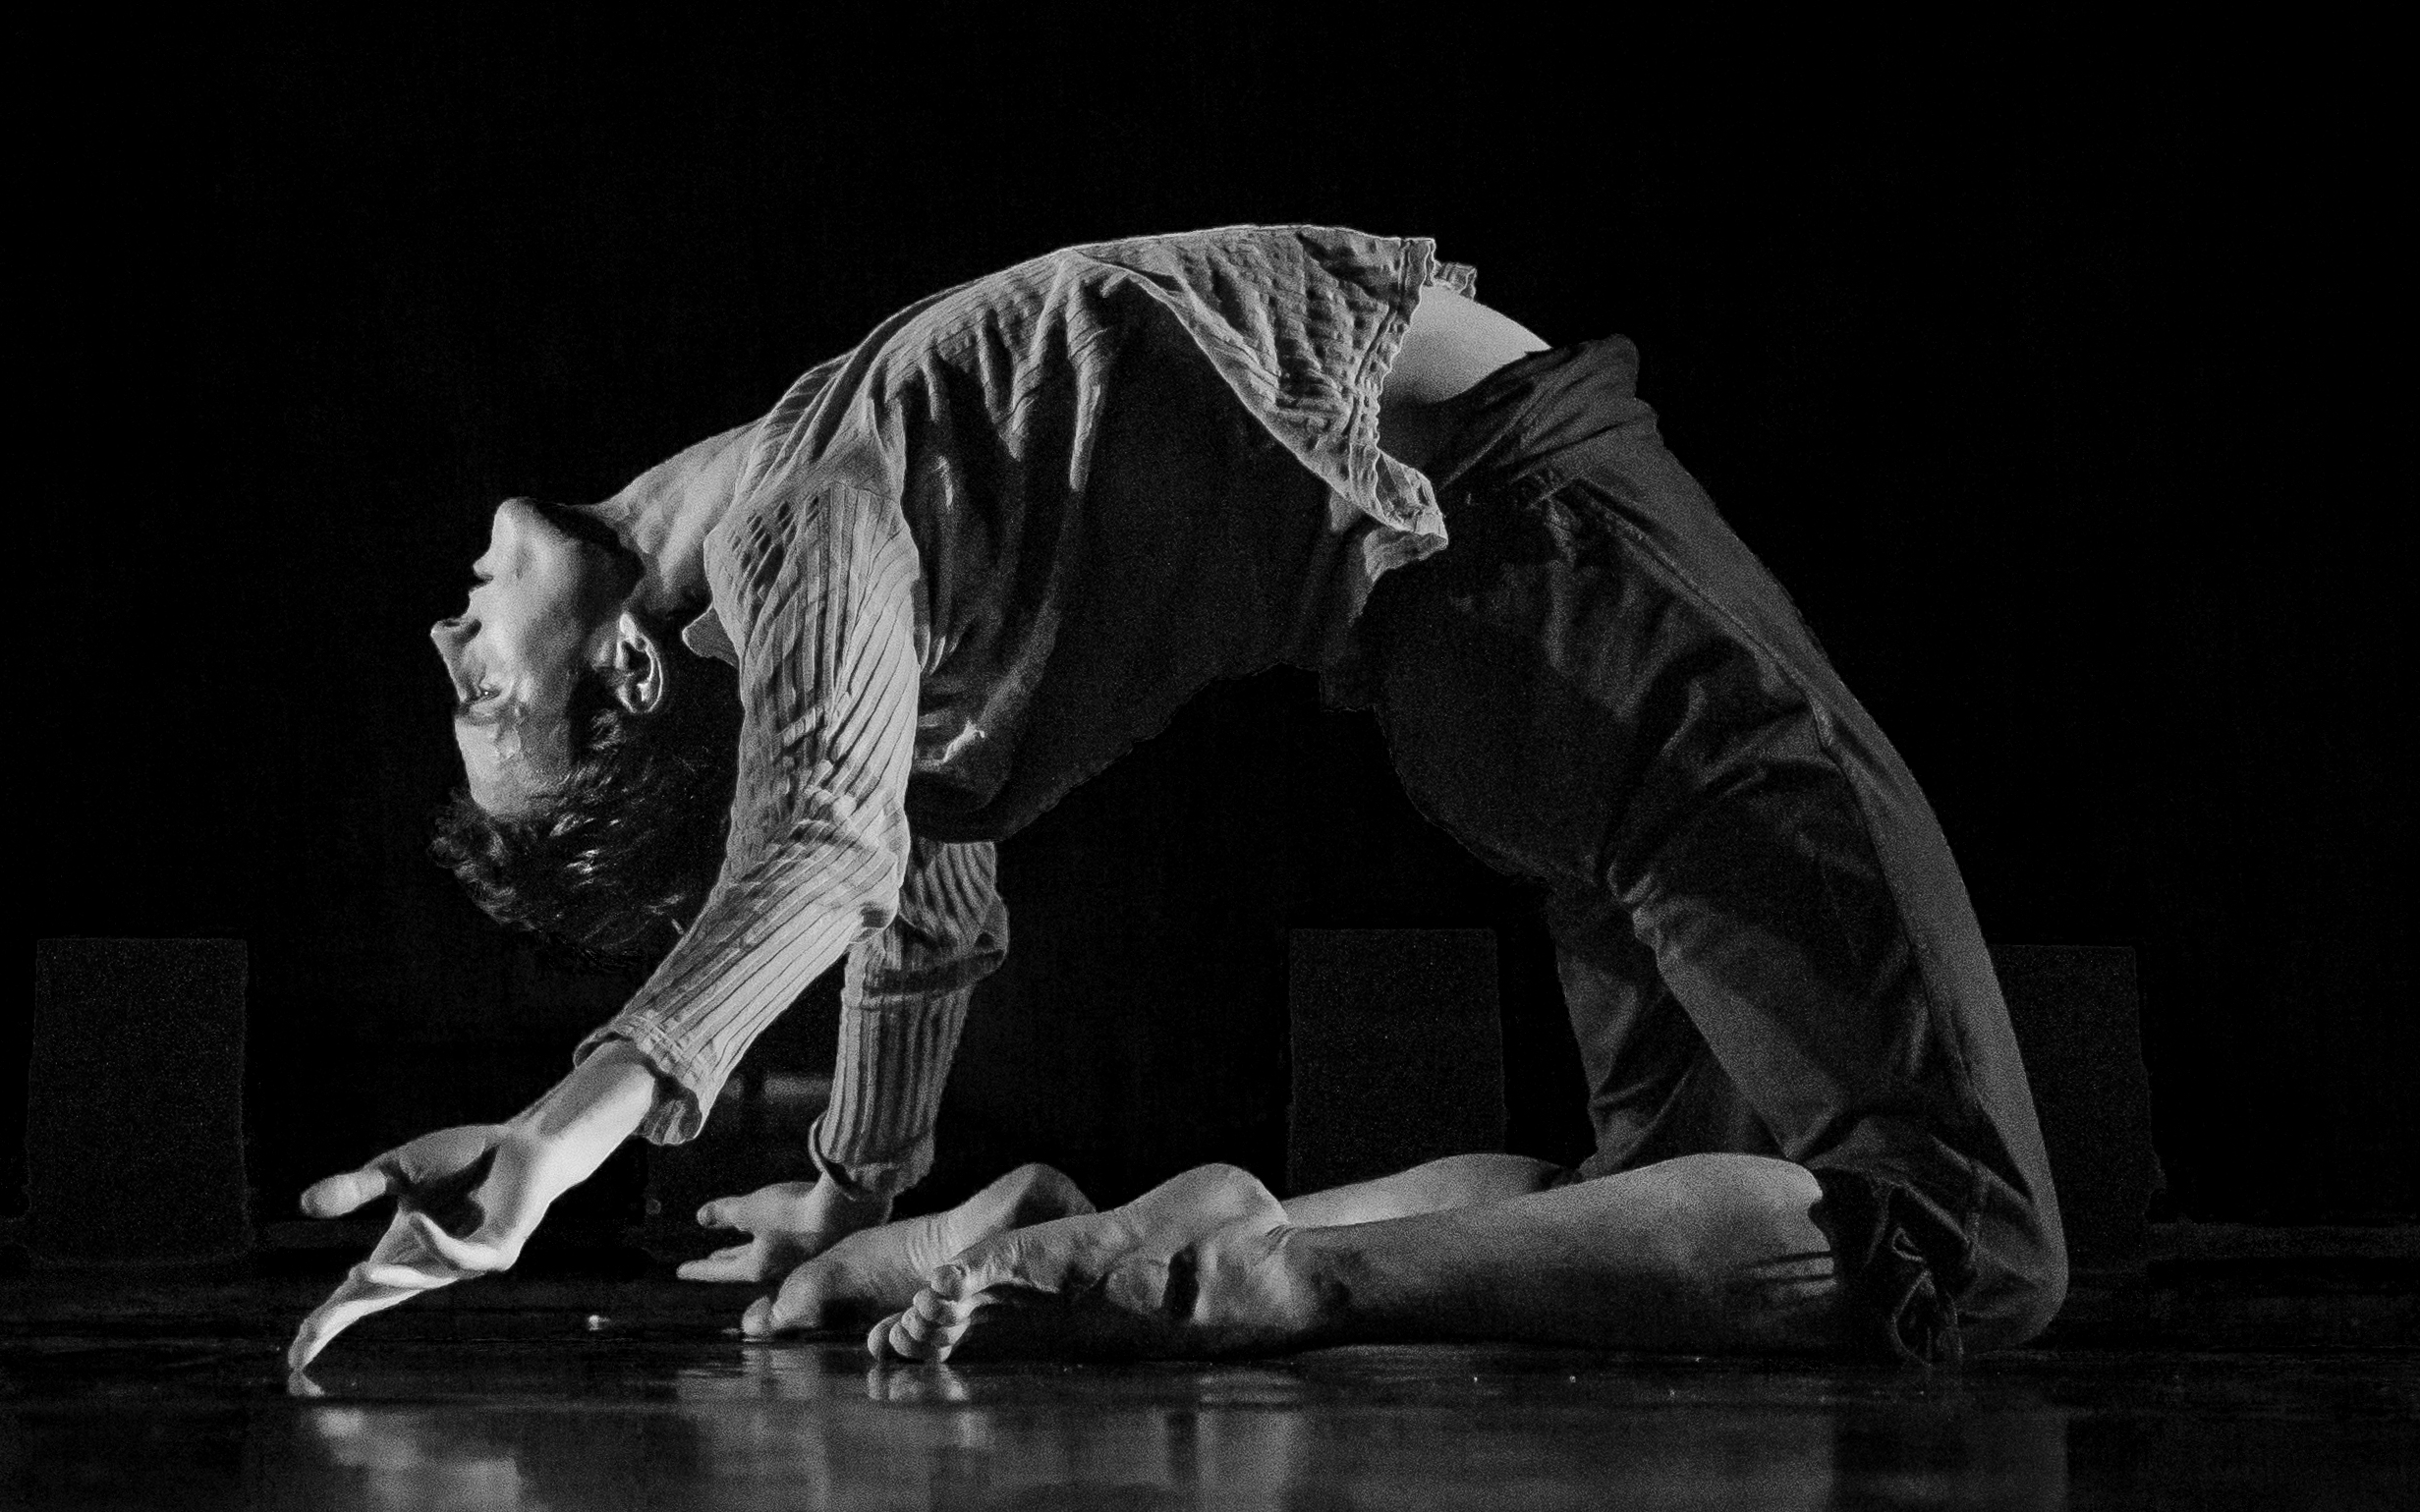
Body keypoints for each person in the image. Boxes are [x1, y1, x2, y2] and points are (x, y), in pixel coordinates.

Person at [288, 225, 2066, 1375]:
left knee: (1659, 1202)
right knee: (1953, 1239)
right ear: (628, 682)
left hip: (1477, 640)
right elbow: (833, 843)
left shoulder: (813, 499)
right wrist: (553, 1138)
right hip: (1536, 561)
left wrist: (856, 1194)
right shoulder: (792, 513)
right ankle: (1270, 1273)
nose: (450, 630)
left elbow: (920, 885)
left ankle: (1196, 1244)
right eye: (482, 692)